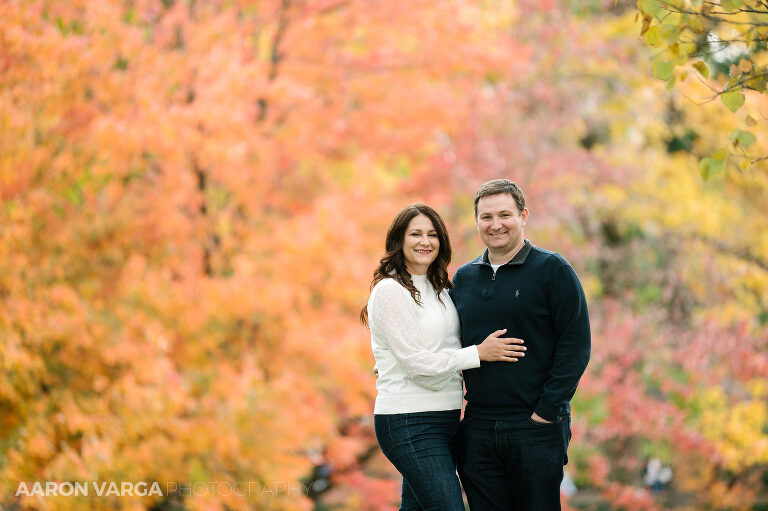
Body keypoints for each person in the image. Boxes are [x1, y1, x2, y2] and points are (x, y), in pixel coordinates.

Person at [361, 203, 527, 511]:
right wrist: (478, 354)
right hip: (408, 420)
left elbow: (429, 348)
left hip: (447, 418)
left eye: (432, 234)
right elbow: (416, 363)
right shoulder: (389, 291)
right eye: (416, 234)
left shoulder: (439, 288)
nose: (425, 241)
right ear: (399, 240)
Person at [451, 179, 591, 511]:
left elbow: (576, 346)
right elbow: (446, 342)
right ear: (476, 221)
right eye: (486, 217)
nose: (495, 225)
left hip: (535, 427)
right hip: (478, 427)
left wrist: (545, 413)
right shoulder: (464, 278)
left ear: (523, 215)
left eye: (505, 215)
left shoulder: (553, 270)